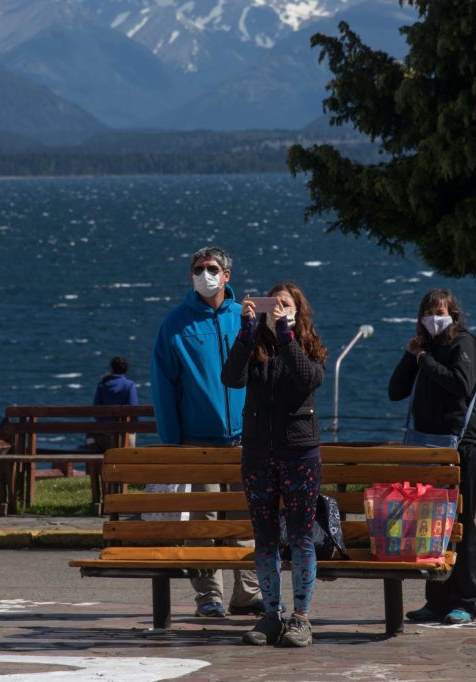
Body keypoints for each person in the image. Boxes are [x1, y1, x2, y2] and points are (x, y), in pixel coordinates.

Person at [151, 246, 262, 618]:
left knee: (245, 520)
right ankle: (208, 596)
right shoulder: (176, 323)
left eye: (211, 268)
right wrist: (172, 442)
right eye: (197, 269)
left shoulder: (243, 318)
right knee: (203, 524)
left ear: (227, 275)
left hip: (246, 438)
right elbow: (163, 385)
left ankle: (247, 593)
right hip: (197, 443)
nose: (204, 274)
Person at [221, 282, 327, 647]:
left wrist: (286, 336)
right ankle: (270, 614)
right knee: (265, 538)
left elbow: (308, 379)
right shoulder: (255, 346)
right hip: (258, 453)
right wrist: (246, 334)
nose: (279, 310)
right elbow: (231, 378)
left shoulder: (307, 346)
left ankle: (300, 618)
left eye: (286, 305)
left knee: (300, 537)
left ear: (299, 311)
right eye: (273, 305)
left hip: (299, 453)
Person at [388, 288, 476, 625]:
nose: (433, 318)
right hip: (427, 445)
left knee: (460, 523)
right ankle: (437, 599)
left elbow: (460, 384)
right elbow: (395, 391)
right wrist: (410, 355)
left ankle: (466, 601)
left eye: (439, 311)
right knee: (430, 523)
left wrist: (424, 361)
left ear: (452, 314)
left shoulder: (463, 344)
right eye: (427, 312)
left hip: (461, 446)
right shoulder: (424, 350)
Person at [87, 356, 139, 451]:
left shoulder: (102, 384)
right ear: (126, 369)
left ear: (112, 369)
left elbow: (95, 409)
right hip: (125, 431)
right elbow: (133, 409)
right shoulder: (129, 385)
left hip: (105, 431)